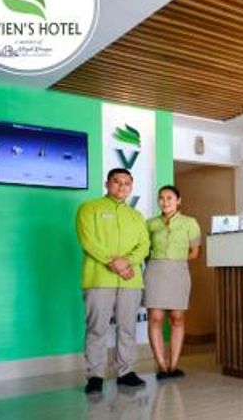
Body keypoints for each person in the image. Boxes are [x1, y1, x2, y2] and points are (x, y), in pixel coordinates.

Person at [76, 168, 150, 394]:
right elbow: (88, 241)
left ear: (131, 187)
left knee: (127, 328)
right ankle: (95, 376)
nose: (122, 186)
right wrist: (113, 262)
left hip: (130, 281)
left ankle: (125, 372)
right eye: (117, 182)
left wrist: (127, 262)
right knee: (96, 328)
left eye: (127, 183)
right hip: (99, 278)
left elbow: (144, 245)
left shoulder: (136, 216)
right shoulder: (89, 208)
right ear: (107, 184)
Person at [144, 185, 201, 380]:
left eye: (169, 198)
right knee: (155, 317)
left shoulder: (190, 222)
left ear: (178, 200)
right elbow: (144, 251)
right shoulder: (150, 224)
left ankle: (174, 365)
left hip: (179, 272)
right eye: (161, 198)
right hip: (155, 271)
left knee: (177, 317)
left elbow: (195, 252)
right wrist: (158, 262)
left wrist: (176, 260)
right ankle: (161, 365)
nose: (165, 201)